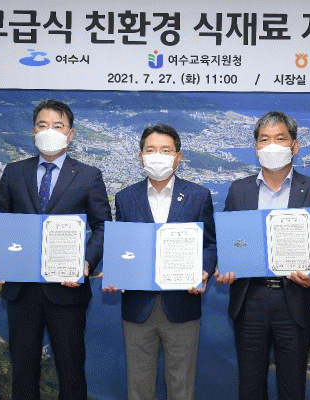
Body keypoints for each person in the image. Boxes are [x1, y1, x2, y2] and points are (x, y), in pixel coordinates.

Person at [0, 99, 112, 400]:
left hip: (67, 289)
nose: (49, 131)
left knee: (71, 371)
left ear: (70, 134)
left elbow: (103, 226)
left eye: (58, 125)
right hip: (21, 289)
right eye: (43, 125)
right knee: (23, 372)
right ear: (33, 130)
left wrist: (87, 262)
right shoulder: (14, 172)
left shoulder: (89, 175)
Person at [216, 111, 310, 400]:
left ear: (295, 146)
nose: (272, 145)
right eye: (264, 139)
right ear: (256, 148)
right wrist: (226, 264)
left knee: (292, 388)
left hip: (295, 299)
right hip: (250, 300)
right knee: (250, 387)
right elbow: (229, 241)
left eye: (280, 138)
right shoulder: (239, 190)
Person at [104, 124, 217, 400]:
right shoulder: (125, 198)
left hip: (182, 305)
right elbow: (123, 246)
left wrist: (204, 269)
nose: (158, 156)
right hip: (137, 306)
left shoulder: (198, 195)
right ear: (140, 157)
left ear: (178, 157)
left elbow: (210, 244)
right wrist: (116, 273)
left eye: (165, 150)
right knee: (139, 388)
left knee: (181, 387)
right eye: (150, 150)